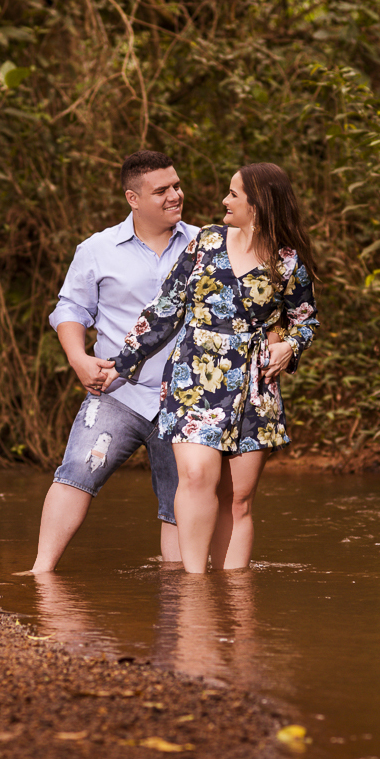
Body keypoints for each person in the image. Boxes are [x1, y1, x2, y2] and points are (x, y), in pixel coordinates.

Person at [105, 163, 319, 574]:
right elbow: (165, 309)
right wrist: (123, 362)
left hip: (254, 387)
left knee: (237, 498)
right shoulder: (206, 241)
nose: (224, 200)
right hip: (194, 378)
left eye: (233, 194)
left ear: (258, 204)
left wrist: (290, 347)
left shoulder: (288, 262)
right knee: (197, 476)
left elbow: (306, 321)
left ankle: (234, 595)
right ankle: (194, 587)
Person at [25, 150, 199, 574]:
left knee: (179, 502)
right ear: (133, 199)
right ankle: (40, 573)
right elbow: (71, 309)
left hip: (188, 399)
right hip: (117, 393)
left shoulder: (206, 246)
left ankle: (181, 598)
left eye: (177, 185)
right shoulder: (97, 249)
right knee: (76, 473)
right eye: (161, 190)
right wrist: (78, 358)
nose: (175, 195)